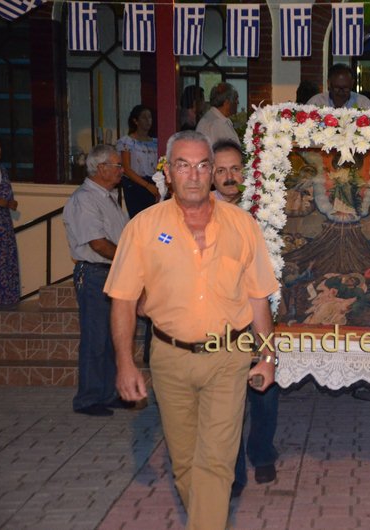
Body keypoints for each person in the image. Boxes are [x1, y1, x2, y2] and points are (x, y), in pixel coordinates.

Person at [107, 130, 278, 529]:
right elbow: (123, 300)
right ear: (167, 173)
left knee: (216, 463)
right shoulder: (143, 227)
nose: (194, 175)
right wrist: (125, 364)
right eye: (183, 165)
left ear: (213, 172)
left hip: (228, 355)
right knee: (185, 463)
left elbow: (259, 299)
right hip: (168, 358)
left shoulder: (242, 225)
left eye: (203, 165)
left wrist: (268, 356)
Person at [211, 139, 281, 493]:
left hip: (263, 312)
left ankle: (262, 453)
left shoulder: (267, 206)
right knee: (229, 402)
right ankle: (234, 471)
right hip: (225, 324)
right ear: (210, 175)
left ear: (247, 171)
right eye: (221, 170)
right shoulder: (203, 215)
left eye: (235, 169)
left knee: (265, 390)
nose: (229, 177)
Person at [62, 144, 130, 416]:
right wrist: (129, 260)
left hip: (111, 272)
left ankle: (108, 393)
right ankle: (88, 399)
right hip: (94, 274)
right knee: (95, 337)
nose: (122, 170)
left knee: (113, 336)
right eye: (117, 165)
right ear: (101, 168)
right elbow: (98, 244)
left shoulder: (108, 196)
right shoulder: (85, 199)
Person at [117, 105, 160, 218]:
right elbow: (127, 169)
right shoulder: (127, 142)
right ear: (136, 121)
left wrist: (159, 185)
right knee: (139, 218)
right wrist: (147, 185)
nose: (148, 120)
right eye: (144, 117)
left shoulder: (155, 142)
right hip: (135, 183)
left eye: (149, 117)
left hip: (154, 182)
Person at [0, 134, 20, 308]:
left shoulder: (3, 171)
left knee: (4, 262)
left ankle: (5, 300)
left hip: (3, 226)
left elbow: (7, 196)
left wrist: (11, 203)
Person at [306, 63, 370, 110]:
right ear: (329, 83)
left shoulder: (363, 103)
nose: (341, 92)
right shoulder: (316, 102)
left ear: (352, 84)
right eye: (337, 88)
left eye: (346, 88)